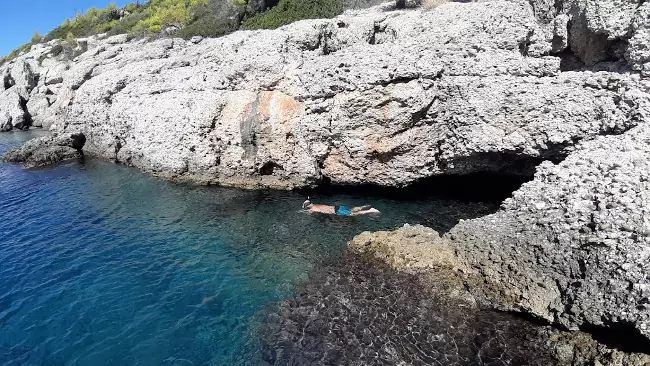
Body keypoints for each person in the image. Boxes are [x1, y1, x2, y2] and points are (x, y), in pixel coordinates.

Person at [301, 198, 380, 216]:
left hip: (337, 211)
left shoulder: (312, 209)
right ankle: (363, 206)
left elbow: (308, 214)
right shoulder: (316, 204)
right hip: (337, 207)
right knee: (351, 209)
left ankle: (370, 210)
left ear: (307, 206)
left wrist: (302, 212)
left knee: (351, 214)